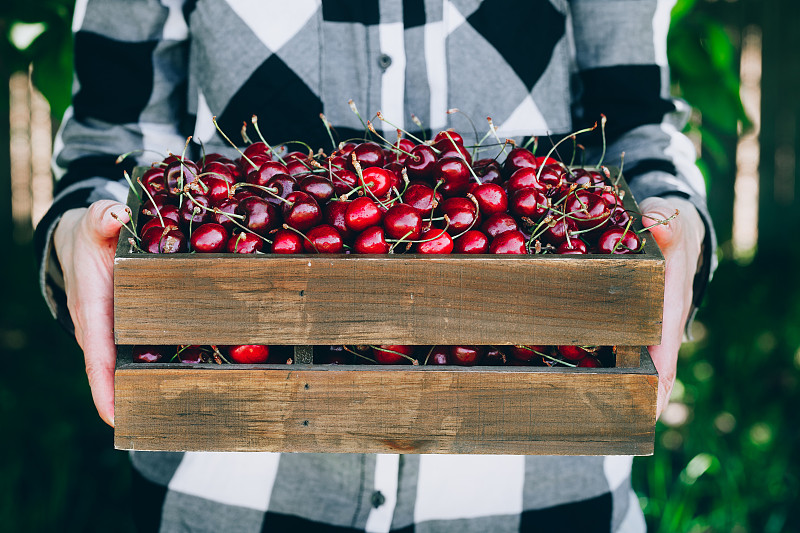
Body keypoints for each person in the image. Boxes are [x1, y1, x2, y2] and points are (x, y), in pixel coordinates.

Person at [36, 1, 715, 531]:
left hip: (543, 487)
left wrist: (672, 219)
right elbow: (113, 140)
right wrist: (82, 227)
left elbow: (636, 123)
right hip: (228, 486)